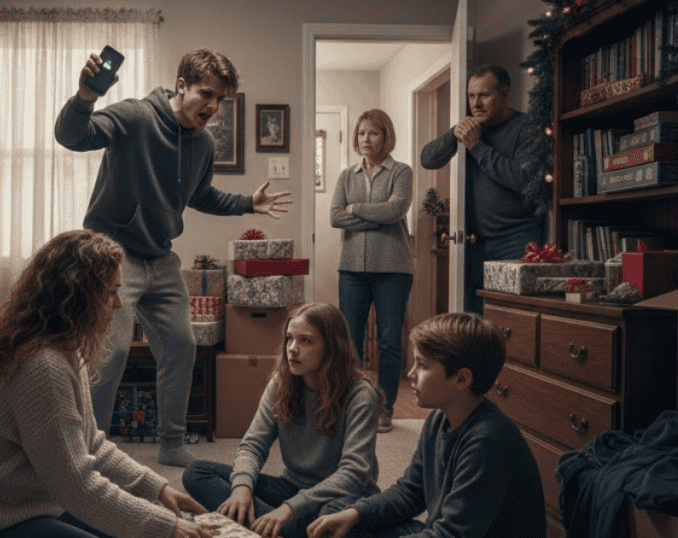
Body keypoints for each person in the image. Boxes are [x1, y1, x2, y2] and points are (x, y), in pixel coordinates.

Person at [54, 49, 292, 467]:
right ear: (181, 86)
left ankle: (171, 444)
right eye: (207, 94)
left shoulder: (201, 143)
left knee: (183, 346)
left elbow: (202, 196)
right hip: (113, 254)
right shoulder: (134, 117)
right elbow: (73, 136)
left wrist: (247, 204)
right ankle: (90, 450)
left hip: (161, 258)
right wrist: (84, 97)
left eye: (220, 100)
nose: (213, 107)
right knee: (109, 355)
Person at [0, 230, 213, 538]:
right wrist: (165, 525)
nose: (119, 305)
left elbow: (92, 444)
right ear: (78, 296)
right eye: (110, 293)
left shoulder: (65, 348)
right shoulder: (41, 366)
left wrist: (156, 488)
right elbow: (77, 484)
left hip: (26, 507)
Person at [306, 312, 547, 538]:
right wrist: (357, 513)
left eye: (422, 365)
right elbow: (411, 491)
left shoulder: (487, 443)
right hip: (442, 531)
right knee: (340, 511)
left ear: (461, 378)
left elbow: (451, 534)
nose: (411, 373)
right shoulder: (438, 419)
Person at [182, 302, 383, 538]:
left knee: (332, 521)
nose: (293, 349)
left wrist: (289, 508)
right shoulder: (281, 382)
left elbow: (353, 475)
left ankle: (270, 526)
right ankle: (278, 528)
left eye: (305, 341)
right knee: (197, 473)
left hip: (340, 499)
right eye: (289, 339)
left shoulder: (360, 395)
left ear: (332, 347)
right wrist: (241, 488)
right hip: (291, 488)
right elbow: (252, 445)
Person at [420, 65, 545, 315]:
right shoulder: (470, 129)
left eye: (484, 95)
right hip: (473, 244)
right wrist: (454, 133)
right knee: (474, 321)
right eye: (471, 96)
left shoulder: (527, 127)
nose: (476, 103)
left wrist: (476, 146)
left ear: (504, 93)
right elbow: (428, 159)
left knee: (510, 317)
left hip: (516, 240)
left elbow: (523, 179)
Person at [330, 108, 413, 434]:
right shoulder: (346, 175)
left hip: (393, 269)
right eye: (362, 133)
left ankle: (385, 408)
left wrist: (357, 209)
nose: (366, 139)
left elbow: (396, 210)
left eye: (373, 133)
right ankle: (355, 408)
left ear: (386, 137)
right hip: (351, 269)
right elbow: (336, 216)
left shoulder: (401, 172)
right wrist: (377, 214)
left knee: (391, 342)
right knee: (350, 341)